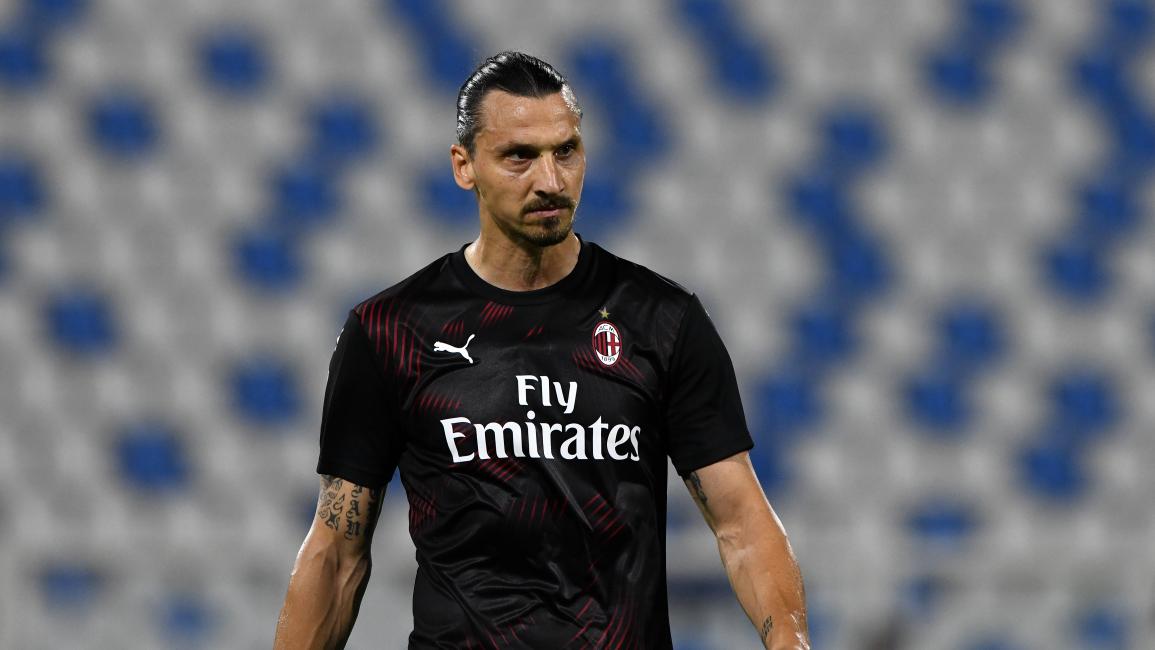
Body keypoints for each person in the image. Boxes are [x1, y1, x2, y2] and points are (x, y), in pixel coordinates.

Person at [274, 51, 809, 650]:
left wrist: (790, 643)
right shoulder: (390, 331)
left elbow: (740, 523)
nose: (550, 181)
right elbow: (338, 551)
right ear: (463, 166)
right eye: (519, 157)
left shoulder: (660, 319)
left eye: (566, 151)